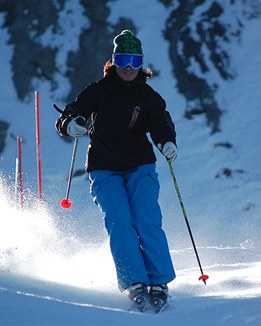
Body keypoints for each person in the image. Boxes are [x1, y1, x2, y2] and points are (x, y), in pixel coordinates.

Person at [56, 30, 177, 311]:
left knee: (146, 218)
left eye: (134, 61)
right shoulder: (98, 90)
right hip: (104, 167)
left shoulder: (149, 97)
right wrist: (71, 124)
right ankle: (134, 281)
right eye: (123, 59)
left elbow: (161, 125)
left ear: (141, 64)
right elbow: (71, 113)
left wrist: (168, 143)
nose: (128, 68)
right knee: (120, 219)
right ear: (113, 61)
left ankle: (158, 281)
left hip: (140, 164)